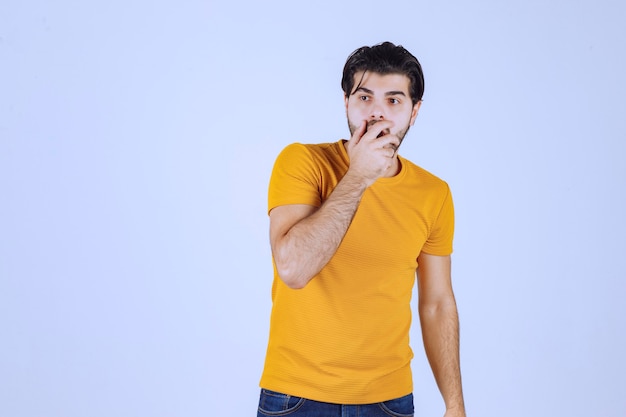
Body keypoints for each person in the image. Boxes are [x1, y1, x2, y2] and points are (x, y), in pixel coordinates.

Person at [257, 41, 465, 417]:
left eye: (394, 101)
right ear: (346, 102)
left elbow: (436, 304)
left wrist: (455, 404)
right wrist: (358, 176)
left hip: (389, 402)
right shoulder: (302, 163)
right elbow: (293, 269)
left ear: (414, 112)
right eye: (365, 97)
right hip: (296, 398)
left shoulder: (434, 193)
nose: (377, 114)